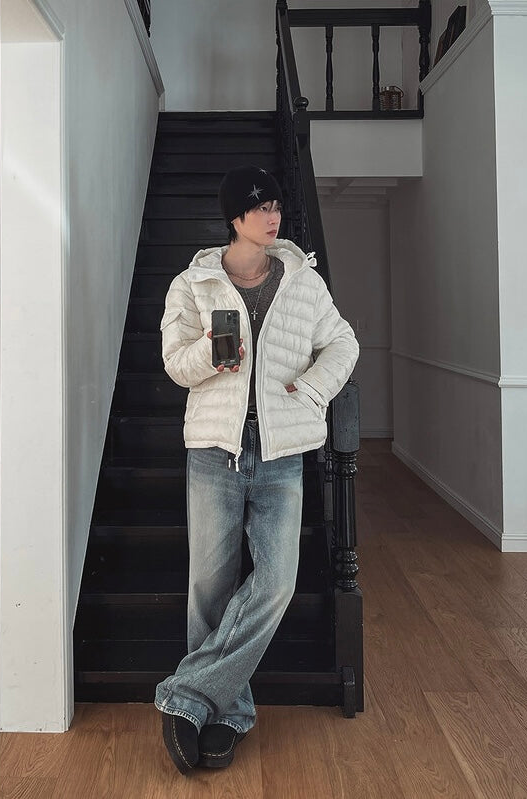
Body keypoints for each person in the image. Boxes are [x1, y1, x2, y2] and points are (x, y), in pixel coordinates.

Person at [155, 165, 359, 774]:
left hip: (280, 453)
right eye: (261, 207)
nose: (274, 217)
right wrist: (212, 356)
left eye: (276, 206)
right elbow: (174, 364)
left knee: (276, 583)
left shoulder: (303, 281)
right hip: (214, 448)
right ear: (235, 217)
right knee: (210, 589)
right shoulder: (194, 284)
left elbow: (343, 343)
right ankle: (226, 713)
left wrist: (312, 390)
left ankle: (186, 696)